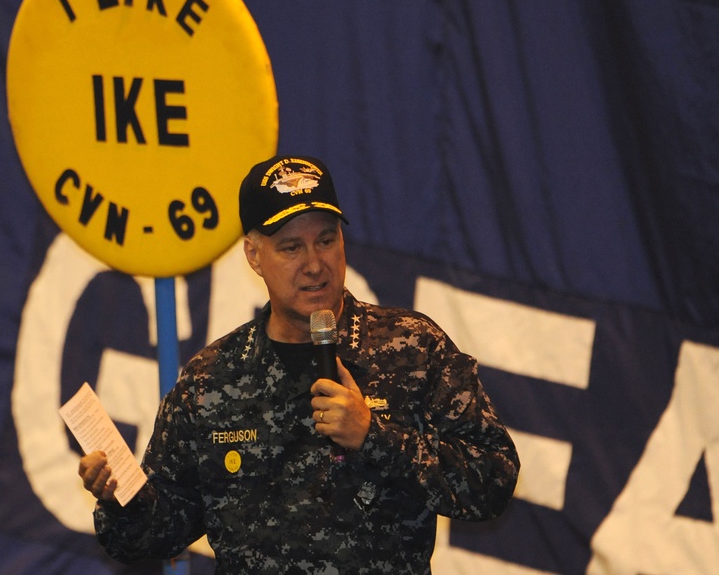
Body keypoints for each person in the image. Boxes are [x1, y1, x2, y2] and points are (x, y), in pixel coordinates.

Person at [79, 154, 520, 574]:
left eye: (326, 241)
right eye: (291, 248)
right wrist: (121, 497)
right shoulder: (210, 380)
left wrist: (375, 436)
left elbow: (492, 481)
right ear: (255, 256)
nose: (315, 265)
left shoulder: (412, 347)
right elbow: (154, 534)